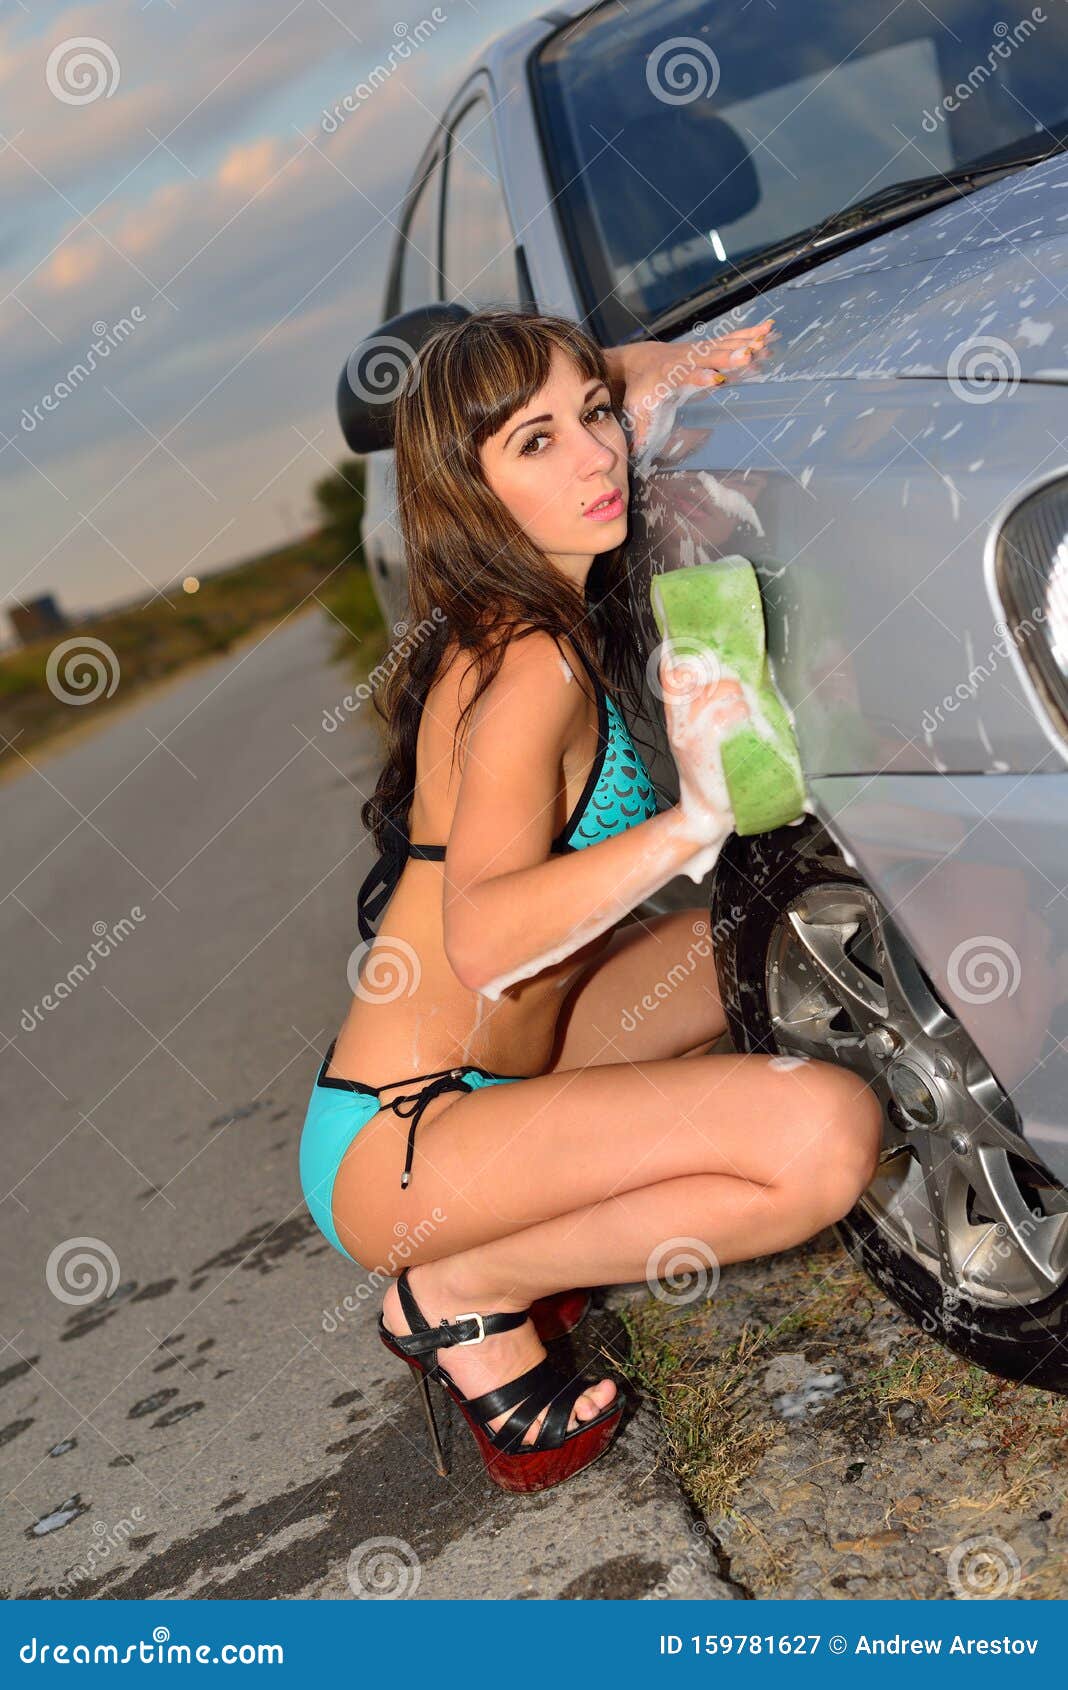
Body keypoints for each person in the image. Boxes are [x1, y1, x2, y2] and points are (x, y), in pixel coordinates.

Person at [298, 307, 882, 1493]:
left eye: (597, 420)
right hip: (404, 1136)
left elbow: (557, 396)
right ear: (466, 489)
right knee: (825, 1139)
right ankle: (464, 1285)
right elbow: (486, 935)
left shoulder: (542, 611)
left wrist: (647, 367)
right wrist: (690, 823)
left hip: (515, 1066)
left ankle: (505, 1233)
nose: (596, 456)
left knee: (746, 947)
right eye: (537, 443)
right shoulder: (525, 661)